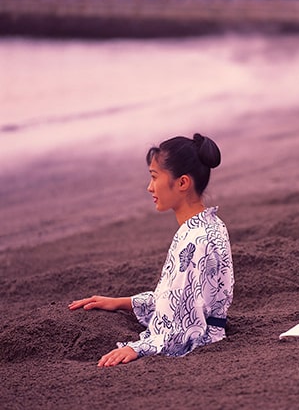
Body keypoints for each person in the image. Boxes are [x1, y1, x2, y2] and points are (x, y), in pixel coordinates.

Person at [69, 134, 234, 367]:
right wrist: (121, 302)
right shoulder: (210, 225)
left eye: (154, 177)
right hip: (206, 331)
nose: (149, 187)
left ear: (182, 183)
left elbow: (184, 326)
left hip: (203, 341)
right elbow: (175, 300)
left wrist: (137, 347)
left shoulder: (196, 240)